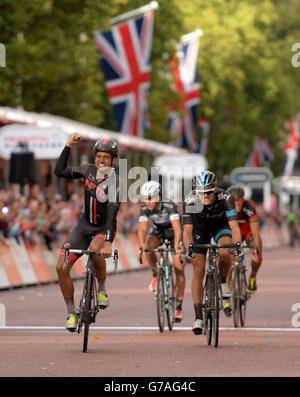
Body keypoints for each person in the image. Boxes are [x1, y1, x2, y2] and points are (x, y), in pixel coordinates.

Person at [54, 133, 120, 332]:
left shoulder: (117, 183)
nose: (101, 160)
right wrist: (67, 146)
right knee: (61, 267)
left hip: (103, 229)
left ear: (113, 160)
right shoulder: (87, 170)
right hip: (83, 226)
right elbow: (60, 171)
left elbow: (112, 214)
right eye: (99, 156)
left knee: (95, 250)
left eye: (106, 157)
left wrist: (108, 242)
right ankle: (71, 313)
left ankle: (101, 289)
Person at [183, 170, 242, 335]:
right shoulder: (190, 199)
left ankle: (223, 282)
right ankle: (198, 317)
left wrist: (237, 245)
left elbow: (234, 226)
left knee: (225, 251)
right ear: (196, 191)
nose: (205, 195)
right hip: (199, 229)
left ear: (215, 189)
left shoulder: (226, 198)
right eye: (202, 192)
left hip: (220, 226)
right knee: (198, 270)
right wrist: (188, 247)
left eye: (208, 192)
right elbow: (187, 230)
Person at [138, 180, 185, 322]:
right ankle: (155, 274)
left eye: (150, 198)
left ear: (159, 195)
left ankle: (178, 307)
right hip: (158, 231)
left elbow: (177, 228)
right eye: (145, 198)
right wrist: (141, 246)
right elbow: (143, 229)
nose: (148, 202)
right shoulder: (145, 208)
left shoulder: (170, 205)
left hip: (173, 232)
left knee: (179, 267)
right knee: (148, 246)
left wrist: (177, 245)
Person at [227, 185, 263, 294]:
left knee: (257, 255)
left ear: (244, 199)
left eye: (239, 200)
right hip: (232, 233)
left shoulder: (249, 207)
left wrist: (256, 251)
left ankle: (252, 276)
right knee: (228, 263)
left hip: (247, 233)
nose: (237, 203)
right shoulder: (226, 207)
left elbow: (256, 233)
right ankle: (228, 298)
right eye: (234, 200)